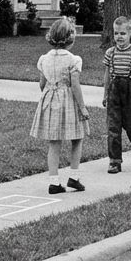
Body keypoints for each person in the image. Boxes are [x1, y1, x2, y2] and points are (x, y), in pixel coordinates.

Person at [31, 17, 89, 194]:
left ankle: (54, 181)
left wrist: (49, 92)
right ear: (70, 38)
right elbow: (75, 85)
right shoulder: (73, 60)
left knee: (54, 142)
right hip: (69, 101)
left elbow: (42, 84)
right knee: (77, 138)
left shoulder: (44, 59)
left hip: (50, 99)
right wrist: (83, 107)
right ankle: (74, 176)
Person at [103, 16, 131, 173]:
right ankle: (115, 160)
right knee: (113, 128)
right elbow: (107, 75)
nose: (119, 37)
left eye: (123, 33)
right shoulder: (110, 53)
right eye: (116, 33)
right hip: (114, 91)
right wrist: (105, 94)